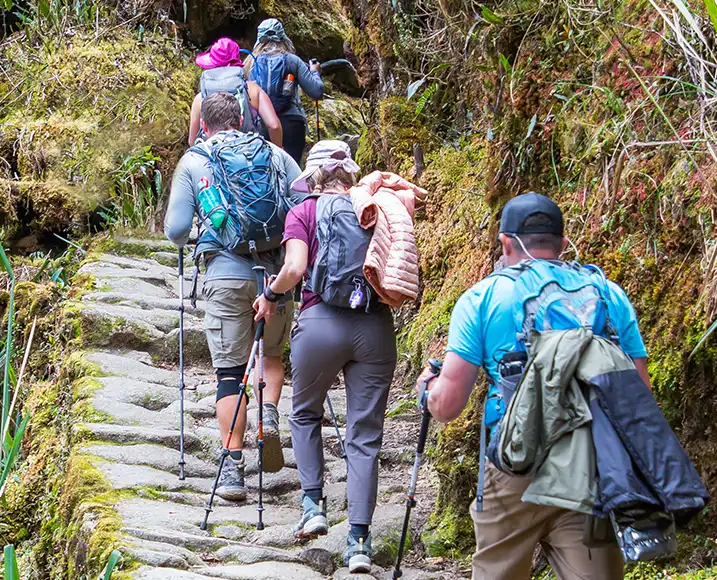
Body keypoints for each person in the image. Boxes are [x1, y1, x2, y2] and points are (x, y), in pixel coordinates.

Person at [415, 193, 652, 580]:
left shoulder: (483, 298)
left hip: (514, 464)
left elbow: (448, 405)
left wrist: (428, 391)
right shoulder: (609, 294)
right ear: (562, 242)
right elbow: (638, 394)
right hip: (590, 465)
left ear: (506, 243)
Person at [251, 140, 392, 573]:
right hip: (374, 327)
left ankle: (313, 505)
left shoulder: (304, 211)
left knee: (306, 415)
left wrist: (270, 295)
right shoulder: (376, 208)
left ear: (312, 177)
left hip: (320, 325)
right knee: (364, 435)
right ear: (350, 173)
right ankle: (359, 543)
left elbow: (293, 270)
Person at [165, 93, 302, 502]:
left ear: (203, 125)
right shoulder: (276, 155)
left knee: (230, 372)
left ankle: (232, 468)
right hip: (276, 275)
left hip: (224, 275)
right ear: (243, 119)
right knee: (272, 355)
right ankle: (271, 416)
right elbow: (300, 208)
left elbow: (175, 229)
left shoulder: (195, 160)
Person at [245, 19, 327, 164]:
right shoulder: (292, 61)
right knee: (290, 171)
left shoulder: (250, 62)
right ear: (283, 37)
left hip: (260, 126)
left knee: (262, 172)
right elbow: (316, 92)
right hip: (292, 125)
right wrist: (315, 72)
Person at [188, 37, 284, 146]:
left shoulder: (200, 98)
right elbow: (274, 126)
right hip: (248, 156)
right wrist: (279, 150)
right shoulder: (252, 90)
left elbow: (192, 141)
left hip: (214, 158)